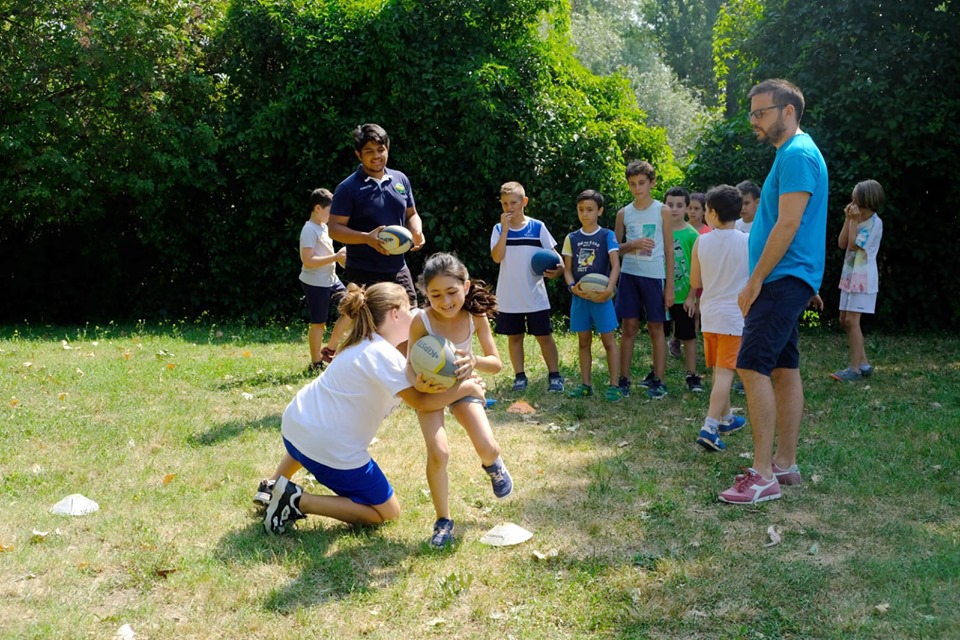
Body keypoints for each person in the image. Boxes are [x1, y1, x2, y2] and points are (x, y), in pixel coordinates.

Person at [257, 282, 486, 535]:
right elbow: (421, 402)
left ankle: (272, 486)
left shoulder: (362, 343)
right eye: (409, 308)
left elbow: (422, 390)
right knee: (387, 513)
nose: (415, 315)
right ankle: (296, 500)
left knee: (313, 434)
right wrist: (468, 389)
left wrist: (460, 381)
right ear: (395, 313)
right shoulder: (383, 355)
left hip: (294, 427)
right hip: (329, 449)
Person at [718, 78, 829, 505]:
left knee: (751, 366)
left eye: (760, 112)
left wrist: (755, 279)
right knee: (783, 368)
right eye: (751, 114)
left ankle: (762, 475)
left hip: (782, 277)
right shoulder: (793, 153)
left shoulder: (798, 153)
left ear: (788, 111)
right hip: (787, 277)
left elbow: (788, 224)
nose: (754, 121)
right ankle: (785, 463)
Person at [409, 253, 512, 548]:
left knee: (488, 447)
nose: (445, 301)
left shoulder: (474, 316)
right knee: (439, 452)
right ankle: (443, 520)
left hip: (464, 386)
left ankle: (493, 466)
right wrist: (417, 380)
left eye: (452, 292)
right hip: (430, 391)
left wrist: (474, 360)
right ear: (425, 294)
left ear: (465, 287)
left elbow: (495, 362)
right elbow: (409, 362)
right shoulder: (422, 320)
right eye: (436, 294)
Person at [324, 123, 426, 362]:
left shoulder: (400, 180)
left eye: (380, 149)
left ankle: (410, 371)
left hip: (397, 267)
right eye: (369, 151)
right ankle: (351, 368)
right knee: (365, 330)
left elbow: (411, 213)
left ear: (387, 149)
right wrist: (366, 239)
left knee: (411, 317)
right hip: (364, 269)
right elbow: (334, 229)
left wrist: (417, 230)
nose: (377, 155)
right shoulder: (348, 188)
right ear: (358, 154)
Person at [688, 185, 750, 451]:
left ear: (711, 213)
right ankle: (710, 426)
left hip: (710, 316)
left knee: (718, 370)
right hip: (734, 318)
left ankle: (725, 418)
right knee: (726, 372)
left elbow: (695, 280)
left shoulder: (701, 241)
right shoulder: (747, 240)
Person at [490, 181, 565, 393]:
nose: (509, 208)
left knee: (545, 336)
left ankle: (555, 375)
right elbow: (497, 257)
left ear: (524, 202)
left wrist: (558, 270)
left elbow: (555, 256)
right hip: (509, 296)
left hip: (535, 296)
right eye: (505, 204)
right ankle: (520, 376)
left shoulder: (537, 227)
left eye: (513, 202)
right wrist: (505, 231)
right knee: (515, 337)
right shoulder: (498, 229)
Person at [614, 161, 675, 399]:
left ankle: (659, 380)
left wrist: (669, 286)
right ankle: (623, 379)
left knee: (656, 327)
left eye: (641, 183)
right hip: (629, 276)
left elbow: (669, 250)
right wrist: (633, 244)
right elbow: (615, 249)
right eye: (632, 184)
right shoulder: (623, 213)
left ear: (652, 183)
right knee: (628, 327)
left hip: (654, 276)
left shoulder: (663, 211)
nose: (637, 188)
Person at [561, 190, 622, 402]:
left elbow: (615, 265)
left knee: (609, 342)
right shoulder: (572, 238)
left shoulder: (607, 235)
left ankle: (614, 385)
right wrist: (572, 287)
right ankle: (586, 385)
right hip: (580, 298)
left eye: (590, 210)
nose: (585, 214)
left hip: (602, 297)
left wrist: (609, 289)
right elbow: (567, 269)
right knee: (583, 342)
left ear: (600, 211)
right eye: (581, 210)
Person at [831, 180, 884, 381]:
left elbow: (854, 246)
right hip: (849, 276)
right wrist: (848, 219)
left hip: (863, 279)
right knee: (844, 320)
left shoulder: (874, 223)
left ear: (866, 198)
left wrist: (853, 222)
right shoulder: (856, 219)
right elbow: (842, 243)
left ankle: (854, 370)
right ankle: (863, 363)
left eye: (855, 195)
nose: (852, 199)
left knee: (853, 322)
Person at [299, 188, 347, 372]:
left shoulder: (325, 227)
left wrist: (340, 259)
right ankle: (316, 363)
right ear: (318, 208)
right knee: (319, 322)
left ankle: (330, 349)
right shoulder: (309, 230)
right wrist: (335, 257)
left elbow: (329, 254)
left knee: (354, 307)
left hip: (331, 279)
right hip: (315, 282)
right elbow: (308, 261)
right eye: (330, 210)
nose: (333, 215)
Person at [663, 187, 703, 393]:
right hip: (661, 295)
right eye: (670, 205)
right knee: (659, 335)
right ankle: (656, 372)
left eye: (679, 205)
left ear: (687, 208)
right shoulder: (660, 230)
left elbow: (698, 268)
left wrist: (691, 297)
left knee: (688, 336)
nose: (674, 209)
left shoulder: (692, 234)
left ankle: (692, 374)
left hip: (684, 297)